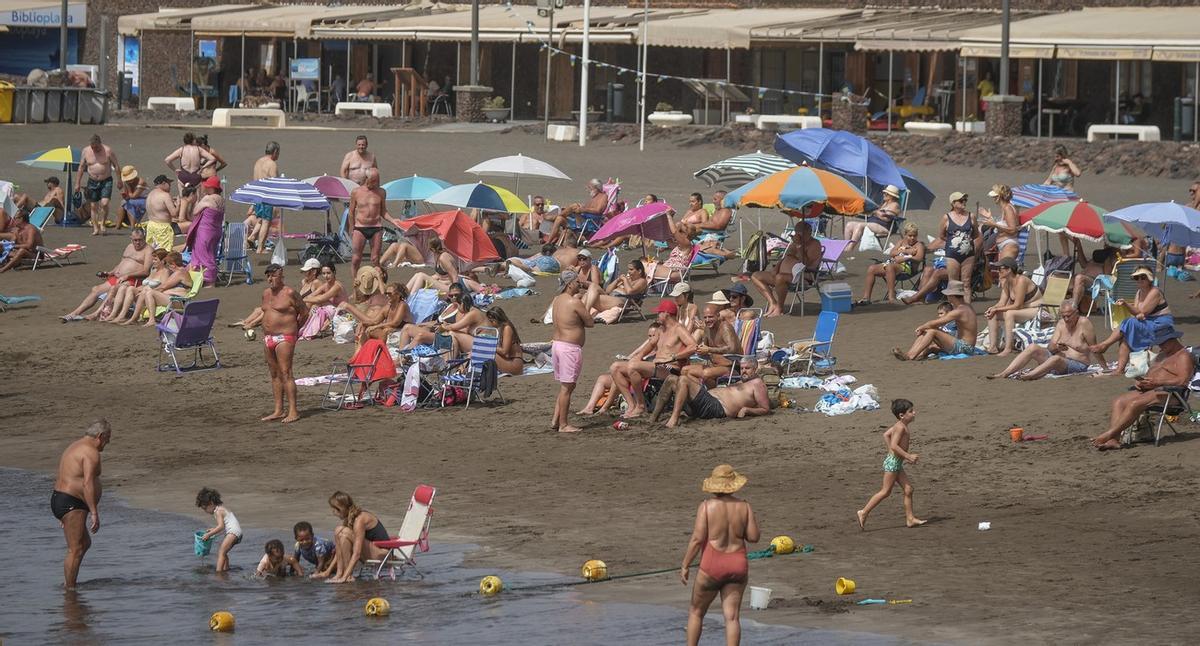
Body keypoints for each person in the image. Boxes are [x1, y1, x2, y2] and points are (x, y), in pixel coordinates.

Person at [680, 464, 760, 646]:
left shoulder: (706, 507)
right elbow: (754, 537)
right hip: (737, 564)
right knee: (732, 618)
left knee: (696, 612)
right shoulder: (744, 506)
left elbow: (697, 539)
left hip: (712, 564)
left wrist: (685, 565)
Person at [1091, 338, 1194, 450]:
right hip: (1151, 390)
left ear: (1173, 340)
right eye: (1159, 343)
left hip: (1171, 394)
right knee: (1119, 401)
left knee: (1135, 403)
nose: (1160, 345)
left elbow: (1183, 381)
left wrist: (1158, 383)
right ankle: (1113, 440)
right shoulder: (1162, 355)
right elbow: (1151, 373)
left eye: (1163, 342)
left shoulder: (1183, 356)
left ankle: (1108, 434)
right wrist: (1142, 382)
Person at [610, 300, 697, 419]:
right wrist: (638, 357)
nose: (657, 315)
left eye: (659, 313)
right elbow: (650, 345)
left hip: (670, 368)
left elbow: (693, 346)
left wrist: (675, 357)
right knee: (615, 367)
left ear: (666, 314)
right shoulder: (661, 330)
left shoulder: (678, 329)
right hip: (656, 366)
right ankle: (632, 405)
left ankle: (641, 406)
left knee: (633, 367)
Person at [52, 419, 111, 589]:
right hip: (71, 503)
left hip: (64, 500)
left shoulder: (75, 446)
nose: (108, 442)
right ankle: (69, 590)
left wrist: (62, 511)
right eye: (107, 438)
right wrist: (94, 512)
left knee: (84, 543)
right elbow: (87, 483)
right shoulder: (90, 452)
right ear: (100, 436)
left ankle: (70, 585)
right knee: (75, 549)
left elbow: (65, 476)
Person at [856, 399, 928, 530]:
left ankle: (910, 519)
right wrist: (908, 456)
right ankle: (864, 512)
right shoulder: (900, 427)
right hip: (893, 464)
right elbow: (894, 445)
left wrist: (893, 452)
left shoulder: (899, 425)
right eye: (911, 411)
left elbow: (886, 435)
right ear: (902, 415)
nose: (914, 413)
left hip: (895, 462)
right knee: (885, 491)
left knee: (908, 489)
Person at [1090, 267, 1175, 376]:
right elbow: (1137, 313)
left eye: (1143, 277)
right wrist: (1136, 312)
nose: (1139, 280)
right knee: (1126, 334)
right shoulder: (1139, 292)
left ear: (1149, 279)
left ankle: (1105, 344)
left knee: (1128, 323)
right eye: (1137, 277)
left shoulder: (1155, 292)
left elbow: (1141, 311)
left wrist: (1126, 305)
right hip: (1149, 322)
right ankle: (1119, 369)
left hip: (1161, 324)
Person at [988, 301, 1103, 380]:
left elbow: (1095, 348)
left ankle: (1029, 375)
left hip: (1077, 364)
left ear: (1076, 313)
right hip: (1056, 359)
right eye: (1063, 316)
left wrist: (1105, 368)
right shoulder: (1061, 324)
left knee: (1056, 358)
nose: (1066, 319)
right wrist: (1057, 347)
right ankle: (1004, 373)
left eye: (1069, 316)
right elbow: (1050, 348)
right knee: (1033, 347)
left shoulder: (1084, 323)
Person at [61, 228, 153, 321]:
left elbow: (146, 271)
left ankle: (96, 314)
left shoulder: (148, 250)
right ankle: (74, 313)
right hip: (118, 277)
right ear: (131, 238)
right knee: (96, 289)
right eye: (135, 240)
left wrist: (128, 275)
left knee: (112, 290)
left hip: (133, 280)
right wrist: (110, 272)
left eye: (140, 240)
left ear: (144, 238)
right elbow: (121, 264)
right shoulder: (129, 247)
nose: (137, 243)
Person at [578, 322, 662, 416]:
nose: (650, 338)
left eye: (653, 335)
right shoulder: (648, 348)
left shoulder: (661, 350)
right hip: (632, 377)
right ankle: (589, 408)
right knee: (602, 379)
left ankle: (605, 407)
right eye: (649, 336)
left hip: (643, 380)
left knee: (617, 377)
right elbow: (637, 355)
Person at [260, 264, 308, 423]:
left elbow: (304, 312)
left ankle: (293, 411)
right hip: (268, 338)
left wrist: (294, 329)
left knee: (286, 372)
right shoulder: (266, 294)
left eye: (273, 276)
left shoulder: (290, 293)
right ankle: (278, 410)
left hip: (285, 337)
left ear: (281, 276)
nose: (270, 279)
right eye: (268, 276)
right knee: (274, 374)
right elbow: (266, 312)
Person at [664, 360, 771, 428]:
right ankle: (653, 418)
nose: (743, 371)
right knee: (671, 379)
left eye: (747, 368)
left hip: (716, 408)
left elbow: (765, 409)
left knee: (683, 379)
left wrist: (747, 410)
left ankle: (674, 419)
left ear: (755, 369)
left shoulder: (757, 383)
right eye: (742, 368)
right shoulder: (741, 383)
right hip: (706, 404)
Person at [550, 271, 594, 433]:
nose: (579, 283)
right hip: (569, 348)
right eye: (576, 281)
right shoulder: (574, 302)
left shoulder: (557, 300)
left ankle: (556, 420)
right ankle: (563, 424)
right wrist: (585, 303)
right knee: (567, 388)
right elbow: (590, 322)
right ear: (569, 284)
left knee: (565, 386)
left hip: (557, 345)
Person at [750, 221, 822, 317]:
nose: (798, 235)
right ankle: (772, 302)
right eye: (797, 232)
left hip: (802, 277)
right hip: (783, 274)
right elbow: (786, 257)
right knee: (756, 276)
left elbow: (805, 263)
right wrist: (776, 267)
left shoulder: (815, 244)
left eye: (801, 233)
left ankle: (780, 308)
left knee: (780, 278)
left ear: (809, 232)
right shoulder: (794, 243)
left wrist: (799, 246)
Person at [892, 281, 978, 361]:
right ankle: (910, 354)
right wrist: (924, 328)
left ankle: (910, 356)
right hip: (966, 346)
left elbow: (936, 323)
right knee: (929, 335)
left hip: (965, 347)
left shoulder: (959, 311)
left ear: (952, 295)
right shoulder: (966, 306)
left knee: (932, 331)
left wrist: (921, 327)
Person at [323, 491, 391, 583]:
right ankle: (340, 573)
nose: (334, 512)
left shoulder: (359, 519)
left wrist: (345, 577)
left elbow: (357, 553)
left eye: (335, 509)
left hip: (382, 555)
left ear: (342, 508)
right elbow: (339, 549)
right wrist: (328, 572)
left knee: (343, 532)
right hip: (370, 552)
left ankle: (348, 576)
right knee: (339, 532)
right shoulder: (350, 518)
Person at [348, 168, 402, 278]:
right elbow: (351, 211)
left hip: (376, 227)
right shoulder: (356, 192)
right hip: (360, 227)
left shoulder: (381, 192)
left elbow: (383, 211)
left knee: (375, 259)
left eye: (377, 181)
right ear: (366, 179)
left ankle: (378, 282)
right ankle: (356, 284)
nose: (376, 183)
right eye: (373, 181)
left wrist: (393, 220)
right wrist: (351, 227)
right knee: (356, 259)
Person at [983, 258, 1042, 356]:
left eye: (1000, 269)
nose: (998, 271)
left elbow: (1018, 305)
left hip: (1037, 309)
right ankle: (992, 347)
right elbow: (1001, 303)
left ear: (1009, 269)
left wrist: (997, 309)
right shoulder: (1007, 282)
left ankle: (1008, 348)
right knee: (992, 314)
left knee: (1010, 313)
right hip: (1024, 309)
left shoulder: (1021, 280)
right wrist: (993, 308)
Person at [857, 222, 925, 304]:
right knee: (872, 268)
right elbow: (892, 253)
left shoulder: (918, 245)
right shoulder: (901, 242)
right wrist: (906, 251)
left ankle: (891, 297)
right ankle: (866, 298)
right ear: (905, 235)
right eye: (910, 236)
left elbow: (919, 258)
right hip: (893, 263)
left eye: (914, 235)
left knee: (890, 267)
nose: (912, 238)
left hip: (907, 268)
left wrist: (905, 259)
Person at [934, 192, 980, 304]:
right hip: (952, 255)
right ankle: (954, 308)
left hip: (968, 254)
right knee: (953, 283)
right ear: (953, 203)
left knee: (966, 282)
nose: (964, 202)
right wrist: (952, 243)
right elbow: (941, 235)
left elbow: (975, 234)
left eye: (965, 200)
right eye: (961, 200)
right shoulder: (947, 217)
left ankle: (967, 309)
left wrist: (965, 240)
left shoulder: (971, 216)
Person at [680, 303, 740, 387]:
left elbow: (732, 348)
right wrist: (700, 349)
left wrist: (709, 349)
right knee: (684, 370)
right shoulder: (708, 328)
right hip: (713, 366)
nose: (707, 320)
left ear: (718, 316)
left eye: (710, 317)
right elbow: (706, 347)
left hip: (729, 368)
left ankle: (708, 393)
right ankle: (701, 393)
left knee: (705, 373)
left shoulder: (725, 327)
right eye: (705, 317)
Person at [395, 281, 466, 350]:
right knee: (407, 327)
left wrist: (444, 327)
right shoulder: (449, 306)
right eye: (451, 295)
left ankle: (404, 357)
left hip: (447, 339)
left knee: (421, 335)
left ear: (462, 294)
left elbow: (461, 329)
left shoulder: (462, 309)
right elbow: (436, 321)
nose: (453, 298)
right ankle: (401, 354)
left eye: (456, 295)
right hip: (437, 334)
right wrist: (420, 324)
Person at [183, 176, 225, 285]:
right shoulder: (221, 200)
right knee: (210, 254)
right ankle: (202, 278)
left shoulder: (208, 198)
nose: (205, 188)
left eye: (207, 186)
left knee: (203, 256)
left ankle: (209, 281)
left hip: (205, 231)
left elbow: (195, 211)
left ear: (211, 187)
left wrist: (199, 202)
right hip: (216, 231)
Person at [164, 132, 215, 221]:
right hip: (195, 176)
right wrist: (203, 167)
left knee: (182, 198)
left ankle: (182, 217)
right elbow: (212, 158)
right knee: (196, 200)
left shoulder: (182, 149)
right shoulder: (199, 149)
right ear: (193, 140)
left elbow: (167, 160)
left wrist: (174, 169)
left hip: (183, 175)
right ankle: (194, 219)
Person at [76, 134, 120, 236]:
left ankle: (103, 223)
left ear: (100, 144)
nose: (94, 149)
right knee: (93, 206)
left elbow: (116, 166)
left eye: (96, 147)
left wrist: (119, 180)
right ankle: (95, 228)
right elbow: (81, 167)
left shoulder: (108, 151)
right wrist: (77, 183)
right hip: (92, 181)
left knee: (104, 203)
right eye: (92, 147)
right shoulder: (86, 151)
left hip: (106, 180)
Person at [1045, 146, 1082, 256]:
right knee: (1059, 230)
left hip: (1068, 199)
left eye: (1058, 156)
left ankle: (1077, 243)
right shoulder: (1055, 166)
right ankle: (1066, 255)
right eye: (1055, 156)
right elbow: (1048, 181)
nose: (1056, 158)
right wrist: (1039, 189)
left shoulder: (1069, 167)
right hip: (1057, 199)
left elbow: (1078, 173)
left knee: (1064, 227)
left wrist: (1069, 162)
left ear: (1063, 156)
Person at [246, 142, 281, 254]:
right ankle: (260, 248)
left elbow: (254, 180)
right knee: (266, 221)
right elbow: (275, 183)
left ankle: (252, 237)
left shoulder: (258, 162)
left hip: (257, 195)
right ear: (275, 152)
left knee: (261, 218)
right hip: (266, 196)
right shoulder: (271, 164)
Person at [547, 179, 608, 243]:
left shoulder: (603, 196)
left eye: (589, 187)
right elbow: (586, 208)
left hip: (589, 223)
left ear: (595, 188)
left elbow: (598, 210)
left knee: (574, 205)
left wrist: (583, 209)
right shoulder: (593, 198)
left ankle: (554, 217)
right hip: (581, 220)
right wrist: (580, 207)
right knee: (559, 219)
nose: (587, 189)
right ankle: (548, 242)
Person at [196, 487, 242, 573]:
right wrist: (213, 529)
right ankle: (226, 569)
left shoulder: (218, 511)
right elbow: (224, 525)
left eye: (205, 508)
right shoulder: (221, 508)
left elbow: (220, 526)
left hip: (233, 533)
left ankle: (219, 573)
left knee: (221, 552)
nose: (205, 511)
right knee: (223, 551)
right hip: (236, 533)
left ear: (211, 503)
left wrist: (209, 535)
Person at [298, 261, 347, 339]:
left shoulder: (337, 286)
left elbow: (322, 298)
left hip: (340, 313)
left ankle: (308, 333)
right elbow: (312, 295)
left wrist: (305, 300)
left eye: (328, 273)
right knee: (315, 307)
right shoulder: (325, 285)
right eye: (324, 274)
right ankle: (304, 330)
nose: (326, 276)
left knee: (318, 308)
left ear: (334, 272)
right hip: (331, 312)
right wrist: (304, 300)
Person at [845, 184, 902, 252]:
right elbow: (877, 213)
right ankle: (846, 246)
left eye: (886, 193)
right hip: (874, 223)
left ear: (891, 196)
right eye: (884, 193)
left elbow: (887, 218)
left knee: (860, 225)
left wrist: (877, 213)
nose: (883, 194)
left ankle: (849, 248)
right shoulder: (885, 203)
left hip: (885, 227)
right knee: (849, 224)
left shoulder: (895, 205)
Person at [1070, 240, 1117, 312]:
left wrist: (1108, 258)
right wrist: (1078, 245)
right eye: (1105, 242)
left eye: (1107, 243)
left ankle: (1073, 307)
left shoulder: (1111, 258)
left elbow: (1107, 277)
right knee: (1067, 278)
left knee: (1079, 278)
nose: (1105, 244)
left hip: (1096, 282)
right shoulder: (1099, 256)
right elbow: (1083, 264)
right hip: (1084, 279)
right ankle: (1058, 305)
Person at [979, 184, 1021, 262]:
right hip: (1004, 244)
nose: (993, 198)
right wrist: (990, 218)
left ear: (999, 196)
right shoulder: (1005, 207)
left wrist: (994, 224)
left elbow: (1013, 230)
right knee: (1000, 271)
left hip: (1009, 244)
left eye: (994, 196)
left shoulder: (1008, 208)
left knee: (1004, 270)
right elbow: (1004, 224)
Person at [142, 174, 178, 251]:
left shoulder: (151, 194)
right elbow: (174, 214)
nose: (170, 186)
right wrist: (178, 204)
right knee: (163, 251)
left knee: (152, 250)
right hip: (162, 227)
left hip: (151, 225)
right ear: (164, 183)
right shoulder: (165, 195)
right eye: (169, 184)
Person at [486, 306, 524, 375]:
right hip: (512, 361)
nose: (490, 324)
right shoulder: (504, 327)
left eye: (490, 321)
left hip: (514, 364)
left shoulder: (507, 328)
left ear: (495, 320)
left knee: (487, 352)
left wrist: (490, 345)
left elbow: (504, 351)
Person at [114, 165, 148, 230]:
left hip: (145, 200)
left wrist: (129, 188)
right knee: (123, 203)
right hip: (133, 199)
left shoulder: (141, 182)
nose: (129, 181)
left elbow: (133, 196)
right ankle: (118, 225)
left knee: (129, 203)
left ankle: (133, 226)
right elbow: (128, 196)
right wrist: (124, 196)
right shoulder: (126, 182)